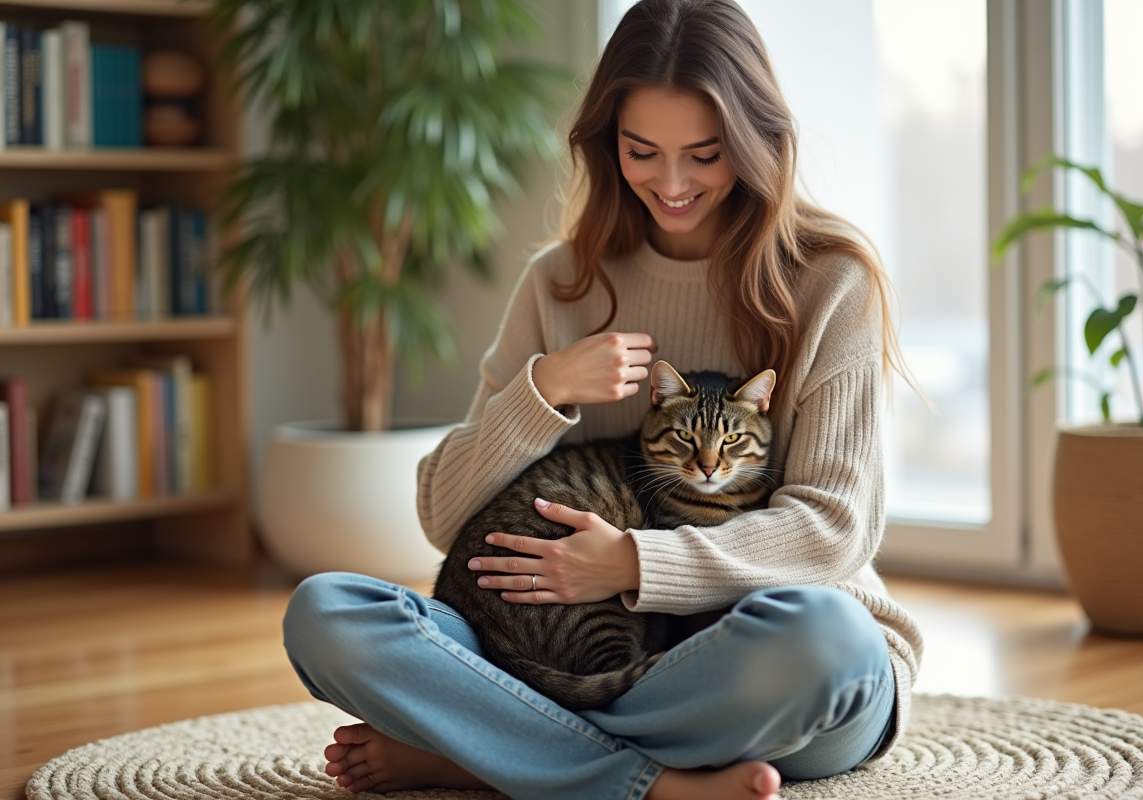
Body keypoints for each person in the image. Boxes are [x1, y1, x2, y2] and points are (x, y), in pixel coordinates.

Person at [281, 1, 923, 798]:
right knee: (326, 615)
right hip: (565, 660)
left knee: (826, 643)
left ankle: (490, 753)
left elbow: (834, 528)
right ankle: (645, 780)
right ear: (605, 142)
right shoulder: (560, 280)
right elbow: (441, 513)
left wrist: (628, 564)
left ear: (758, 143)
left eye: (706, 153)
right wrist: (543, 390)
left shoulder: (831, 278)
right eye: (641, 151)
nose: (673, 183)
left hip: (757, 672)